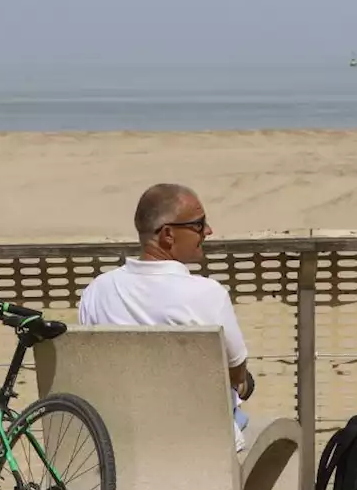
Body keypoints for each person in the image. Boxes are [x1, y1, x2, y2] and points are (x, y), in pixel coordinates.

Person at [77, 183, 253, 451]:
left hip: (117, 440)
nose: (208, 231)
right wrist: (243, 383)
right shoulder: (208, 294)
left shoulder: (96, 291)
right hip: (199, 442)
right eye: (199, 224)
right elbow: (236, 372)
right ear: (168, 235)